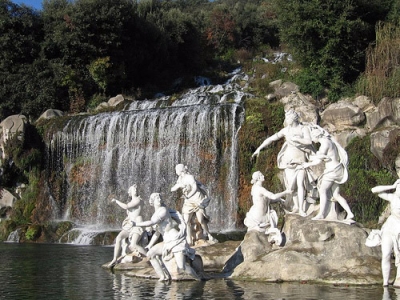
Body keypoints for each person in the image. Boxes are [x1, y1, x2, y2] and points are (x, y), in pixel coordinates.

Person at [252, 109, 314, 216]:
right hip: (288, 161)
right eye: (286, 118)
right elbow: (271, 139)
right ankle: (296, 206)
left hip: (300, 161)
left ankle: (302, 209)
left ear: (293, 118)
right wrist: (259, 148)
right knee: (291, 187)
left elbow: (309, 141)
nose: (286, 120)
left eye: (288, 118)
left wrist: (297, 139)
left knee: (300, 184)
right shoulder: (286, 130)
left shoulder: (303, 129)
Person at [132, 193, 199, 281]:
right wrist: (150, 245)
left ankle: (198, 279)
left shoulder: (163, 210)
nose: (159, 199)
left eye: (160, 198)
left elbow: (152, 222)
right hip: (167, 241)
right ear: (152, 202)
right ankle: (163, 276)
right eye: (157, 198)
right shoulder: (155, 214)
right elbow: (157, 233)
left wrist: (136, 224)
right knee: (150, 254)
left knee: (182, 267)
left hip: (175, 240)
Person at [297, 125, 354, 221]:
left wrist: (306, 164)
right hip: (338, 169)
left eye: (312, 137)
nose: (311, 139)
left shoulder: (324, 144)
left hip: (332, 171)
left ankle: (322, 214)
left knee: (322, 190)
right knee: (336, 195)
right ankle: (350, 213)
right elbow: (323, 157)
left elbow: (318, 161)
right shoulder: (330, 141)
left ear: (316, 136)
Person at [171, 164, 216, 245]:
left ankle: (209, 235)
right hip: (188, 202)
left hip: (197, 199)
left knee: (201, 220)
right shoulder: (180, 179)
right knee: (186, 221)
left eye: (176, 169)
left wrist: (188, 196)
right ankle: (189, 240)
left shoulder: (189, 177)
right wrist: (179, 186)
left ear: (180, 170)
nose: (175, 171)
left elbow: (195, 188)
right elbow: (172, 189)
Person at [108, 184, 146, 267]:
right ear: (130, 192)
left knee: (134, 245)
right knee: (118, 238)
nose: (135, 190)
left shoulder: (139, 200)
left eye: (136, 189)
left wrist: (116, 201)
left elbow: (126, 207)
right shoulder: (132, 201)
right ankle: (115, 258)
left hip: (137, 224)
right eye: (133, 189)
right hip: (129, 225)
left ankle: (149, 258)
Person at [371, 179, 400, 287]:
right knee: (386, 254)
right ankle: (385, 283)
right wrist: (391, 185)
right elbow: (374, 190)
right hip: (390, 226)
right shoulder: (392, 197)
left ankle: (398, 278)